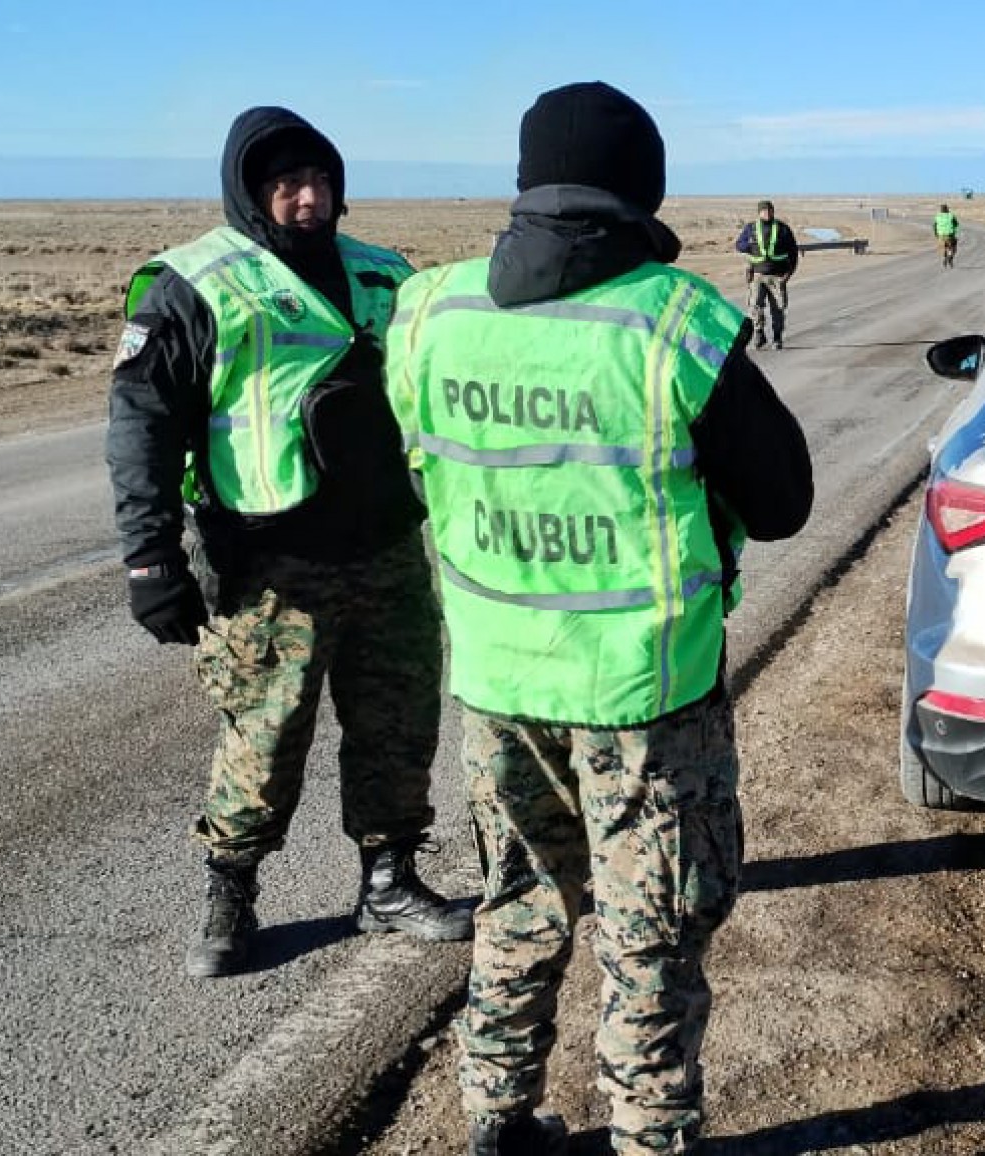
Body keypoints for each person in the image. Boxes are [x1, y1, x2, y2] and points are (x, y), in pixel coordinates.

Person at [387, 81, 814, 1156]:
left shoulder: (430, 311)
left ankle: (494, 1118)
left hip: (496, 677)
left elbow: (411, 472)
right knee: (652, 929)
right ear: (642, 188)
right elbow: (785, 501)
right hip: (641, 699)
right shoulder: (674, 320)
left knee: (519, 901)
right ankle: (650, 1138)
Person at [106, 106, 468, 980]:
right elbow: (142, 426)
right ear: (250, 192)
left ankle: (389, 880)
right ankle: (230, 895)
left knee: (398, 725)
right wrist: (150, 555)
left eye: (320, 181)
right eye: (286, 184)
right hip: (272, 568)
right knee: (263, 743)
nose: (308, 199)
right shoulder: (193, 284)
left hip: (385, 549)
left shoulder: (383, 274)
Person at [733, 198, 798, 348]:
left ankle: (777, 338)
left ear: (773, 211)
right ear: (759, 213)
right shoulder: (751, 228)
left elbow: (793, 252)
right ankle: (759, 333)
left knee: (778, 309)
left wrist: (788, 274)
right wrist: (749, 245)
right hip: (757, 276)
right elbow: (739, 245)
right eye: (763, 211)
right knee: (755, 306)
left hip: (777, 276)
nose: (767, 213)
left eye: (769, 210)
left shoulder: (783, 229)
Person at [934, 202, 960, 268]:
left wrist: (936, 234)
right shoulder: (951, 215)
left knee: (944, 247)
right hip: (950, 235)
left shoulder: (937, 216)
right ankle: (950, 258)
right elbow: (956, 224)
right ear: (947, 209)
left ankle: (945, 257)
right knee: (953, 248)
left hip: (941, 235)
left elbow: (934, 225)